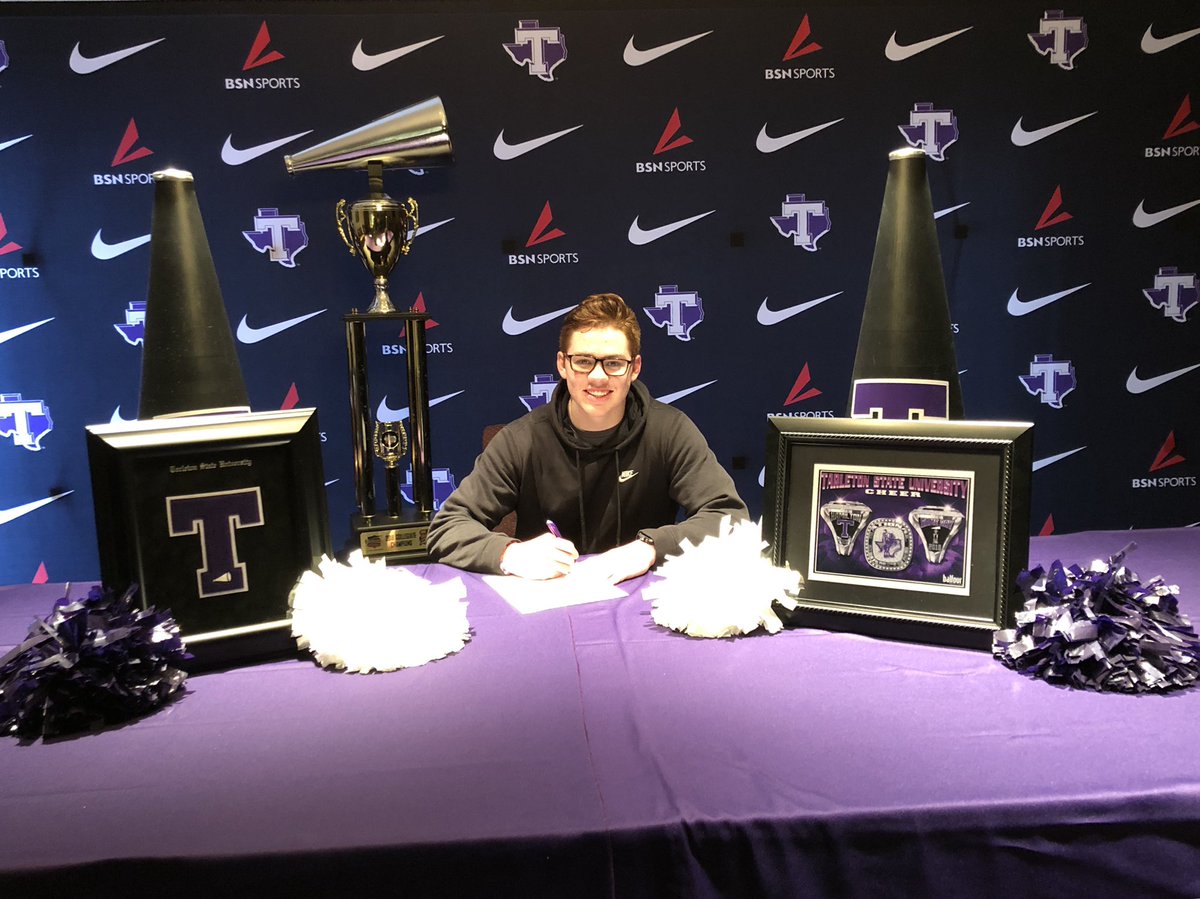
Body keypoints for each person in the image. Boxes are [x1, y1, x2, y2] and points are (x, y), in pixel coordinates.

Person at [427, 293, 748, 582]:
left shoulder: (670, 431)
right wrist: (509, 553)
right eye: (583, 361)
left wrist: (652, 547)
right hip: (545, 599)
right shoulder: (521, 440)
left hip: (643, 602)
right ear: (562, 365)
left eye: (614, 363)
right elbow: (447, 527)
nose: (597, 376)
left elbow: (730, 518)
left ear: (634, 368)